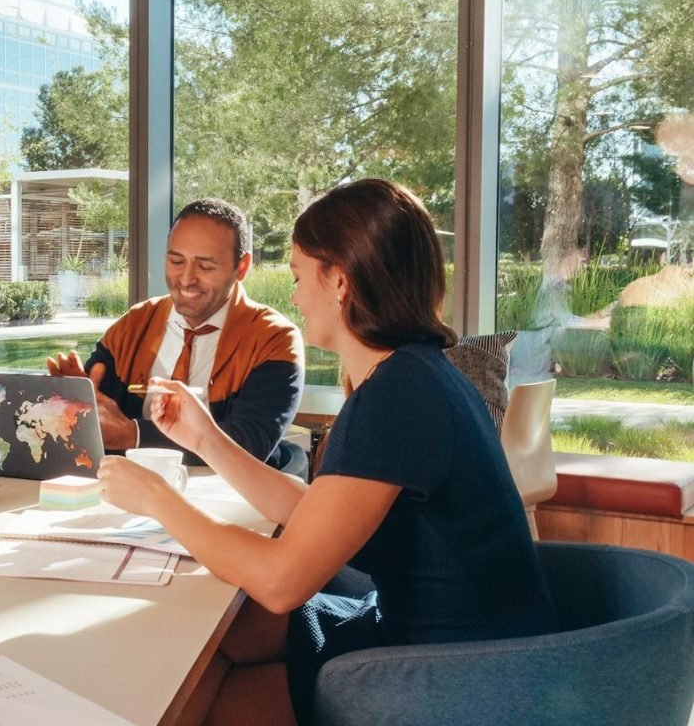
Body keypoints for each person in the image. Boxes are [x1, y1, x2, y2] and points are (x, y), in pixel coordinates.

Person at [96, 179, 558, 725]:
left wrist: (159, 501)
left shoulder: (397, 397)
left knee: (207, 697)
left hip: (459, 674)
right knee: (223, 642)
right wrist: (203, 439)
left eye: (296, 276)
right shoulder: (417, 372)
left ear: (338, 280)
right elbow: (315, 511)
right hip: (450, 634)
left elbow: (280, 583)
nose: (293, 297)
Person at [47, 198, 305, 476]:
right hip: (129, 493)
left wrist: (132, 434)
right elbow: (97, 422)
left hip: (230, 501)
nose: (186, 278)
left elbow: (248, 443)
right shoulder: (133, 325)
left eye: (205, 266)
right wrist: (78, 404)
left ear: (241, 267)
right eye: (176, 261)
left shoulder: (274, 340)